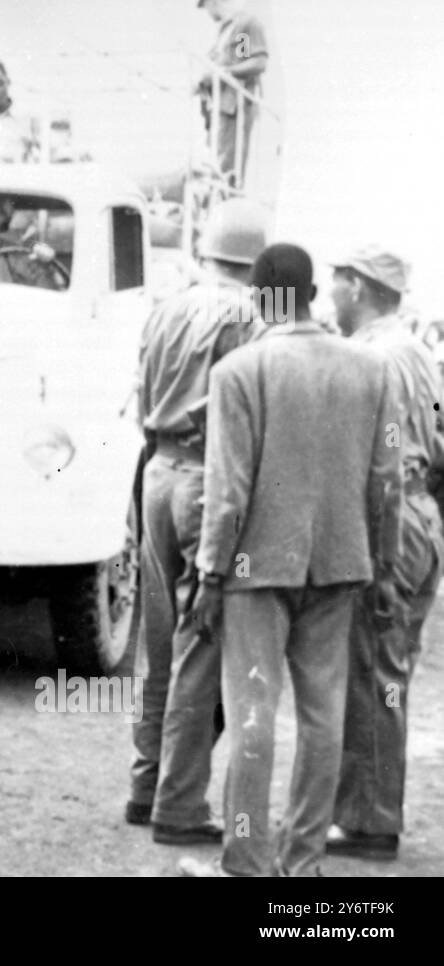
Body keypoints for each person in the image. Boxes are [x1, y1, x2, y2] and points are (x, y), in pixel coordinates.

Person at [178, 243, 403, 877]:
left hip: (254, 568)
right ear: (308, 292)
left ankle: (246, 858)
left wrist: (208, 574)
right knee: (323, 717)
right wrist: (382, 570)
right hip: (339, 565)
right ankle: (302, 862)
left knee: (252, 714)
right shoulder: (371, 372)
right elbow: (387, 478)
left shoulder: (239, 373)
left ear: (261, 296)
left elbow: (229, 490)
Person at [128, 198, 268, 841]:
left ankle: (145, 783)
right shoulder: (249, 316)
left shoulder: (167, 306)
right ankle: (179, 805)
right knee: (199, 648)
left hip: (155, 471)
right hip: (204, 480)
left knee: (158, 646)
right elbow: (247, 420)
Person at [327, 246, 444, 861]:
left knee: (374, 673)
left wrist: (384, 551)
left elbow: (388, 466)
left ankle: (370, 823)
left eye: (337, 283)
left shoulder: (377, 357)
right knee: (388, 669)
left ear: (360, 287)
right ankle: (366, 811)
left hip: (391, 521)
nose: (329, 296)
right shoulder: (418, 352)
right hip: (420, 518)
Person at [196, 0, 269, 187]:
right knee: (214, 163)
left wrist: (224, 74)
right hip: (218, 108)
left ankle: (226, 202)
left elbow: (255, 62)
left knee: (226, 167)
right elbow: (239, 60)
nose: (208, 14)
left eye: (206, 8)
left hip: (233, 108)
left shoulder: (244, 25)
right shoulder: (227, 30)